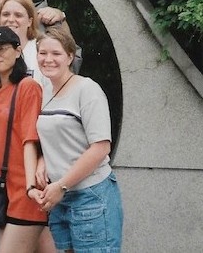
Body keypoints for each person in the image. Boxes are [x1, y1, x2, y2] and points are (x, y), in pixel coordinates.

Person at [30, 27, 123, 252]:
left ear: (70, 56)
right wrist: (43, 162)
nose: (48, 59)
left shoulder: (87, 89)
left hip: (90, 195)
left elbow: (100, 148)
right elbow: (51, 138)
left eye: (56, 54)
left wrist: (62, 185)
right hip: (59, 199)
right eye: (43, 53)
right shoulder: (44, 91)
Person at [0, 27, 46, 253]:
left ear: (18, 51)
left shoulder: (28, 87)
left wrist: (30, 186)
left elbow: (30, 139)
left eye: (2, 49)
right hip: (2, 188)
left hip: (25, 189)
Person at [0, 0, 50, 92]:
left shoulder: (42, 51)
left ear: (29, 21)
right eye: (6, 14)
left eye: (18, 15)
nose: (11, 20)